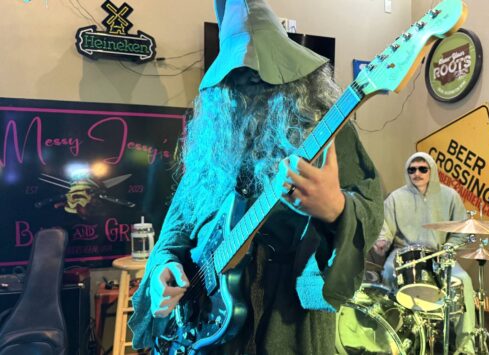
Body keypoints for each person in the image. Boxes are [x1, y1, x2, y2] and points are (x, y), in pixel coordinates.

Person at [128, 0, 384, 353]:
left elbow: (370, 209)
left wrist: (337, 209)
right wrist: (164, 266)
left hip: (288, 325)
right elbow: (177, 228)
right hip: (206, 329)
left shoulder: (326, 129)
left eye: (262, 71)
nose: (248, 81)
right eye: (236, 74)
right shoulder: (208, 144)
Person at [371, 152, 476, 355]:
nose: (417, 173)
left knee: (465, 280)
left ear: (432, 170)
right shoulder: (395, 197)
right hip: (403, 254)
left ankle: (467, 346)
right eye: (412, 170)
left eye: (422, 169)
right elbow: (386, 229)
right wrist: (382, 241)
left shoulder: (450, 196)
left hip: (438, 255)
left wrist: (449, 248)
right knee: (386, 273)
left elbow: (462, 231)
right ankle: (388, 339)